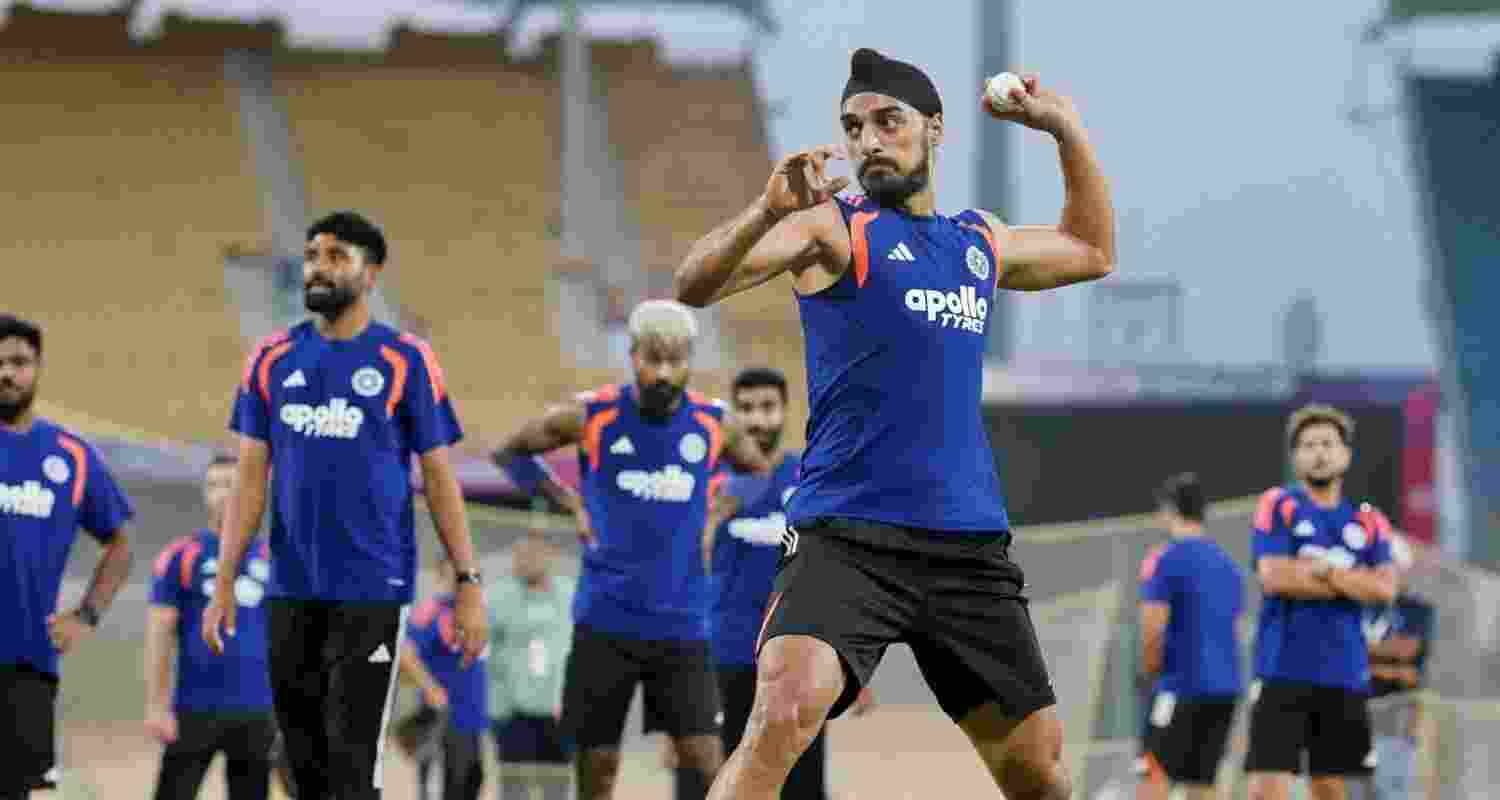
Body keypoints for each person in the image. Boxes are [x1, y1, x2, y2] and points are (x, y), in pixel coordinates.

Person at [673, 47, 1115, 800]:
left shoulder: (976, 242)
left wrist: (1064, 128)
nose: (868, 139)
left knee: (1038, 776)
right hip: (847, 538)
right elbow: (694, 284)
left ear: (934, 130)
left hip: (965, 548)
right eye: (853, 126)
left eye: (888, 121)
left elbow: (1091, 250)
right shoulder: (832, 230)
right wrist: (767, 210)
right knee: (781, 713)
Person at [203, 211, 489, 800]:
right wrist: (225, 578)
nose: (318, 268)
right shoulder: (271, 358)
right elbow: (250, 477)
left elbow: (439, 478)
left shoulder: (405, 360)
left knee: (351, 761)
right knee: (301, 764)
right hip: (291, 587)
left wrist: (468, 580)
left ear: (372, 272)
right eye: (312, 256)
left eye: (336, 256)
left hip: (371, 591)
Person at [492, 298, 771, 800]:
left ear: (690, 360)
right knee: (597, 771)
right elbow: (509, 453)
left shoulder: (714, 422)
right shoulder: (591, 415)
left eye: (675, 360)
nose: (663, 372)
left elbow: (757, 473)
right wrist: (567, 502)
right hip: (604, 622)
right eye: (652, 359)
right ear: (632, 355)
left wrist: (720, 510)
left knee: (709, 765)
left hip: (682, 625)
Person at [699, 367, 874, 800]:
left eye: (767, 407)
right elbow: (682, 571)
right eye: (746, 409)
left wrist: (855, 659)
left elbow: (838, 568)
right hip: (724, 657)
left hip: (799, 655)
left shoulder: (811, 479)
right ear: (733, 416)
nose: (757, 419)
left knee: (803, 786)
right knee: (727, 782)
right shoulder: (707, 483)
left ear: (784, 412)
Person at [0, 314, 136, 800]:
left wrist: (87, 614)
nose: (7, 373)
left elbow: (121, 543)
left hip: (26, 661)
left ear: (37, 368)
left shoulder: (71, 456)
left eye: (18, 361)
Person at [1244, 404, 1399, 800]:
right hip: (1282, 671)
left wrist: (1324, 571)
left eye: (1328, 444)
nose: (1319, 452)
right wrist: (1353, 582)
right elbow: (1275, 577)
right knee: (1265, 790)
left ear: (1346, 455)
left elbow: (1385, 589)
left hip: (1344, 673)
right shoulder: (1278, 505)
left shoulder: (1368, 520)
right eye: (1309, 445)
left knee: (1331, 789)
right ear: (1295, 457)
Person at [146, 453, 277, 800]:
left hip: (257, 711)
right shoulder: (180, 556)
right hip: (193, 709)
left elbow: (290, 638)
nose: (221, 494)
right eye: (213, 486)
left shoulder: (274, 559)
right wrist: (157, 705)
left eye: (230, 485)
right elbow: (159, 634)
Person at [1135, 473, 1245, 800]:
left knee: (1153, 775)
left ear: (1170, 510)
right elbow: (1235, 630)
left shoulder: (1164, 558)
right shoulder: (1228, 564)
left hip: (1179, 686)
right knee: (1203, 782)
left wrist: (1149, 673)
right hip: (1224, 690)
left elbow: (1153, 626)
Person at [488, 530, 576, 800]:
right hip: (514, 712)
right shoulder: (499, 596)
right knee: (514, 788)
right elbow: (485, 652)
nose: (525, 560)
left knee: (556, 787)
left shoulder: (570, 594)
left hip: (559, 712)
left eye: (533, 554)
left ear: (551, 556)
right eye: (520, 554)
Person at [406, 555, 489, 800]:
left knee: (468, 789)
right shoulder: (432, 610)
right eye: (457, 573)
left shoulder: (477, 612)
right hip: (442, 723)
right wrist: (430, 688)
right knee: (438, 791)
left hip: (472, 721)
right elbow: (406, 652)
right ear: (442, 574)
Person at [1361, 534, 1433, 800]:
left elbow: (1408, 651)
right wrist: (1391, 667)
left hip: (1397, 723)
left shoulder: (1416, 610)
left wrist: (1365, 658)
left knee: (1392, 790)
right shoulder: (1357, 605)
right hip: (1353, 718)